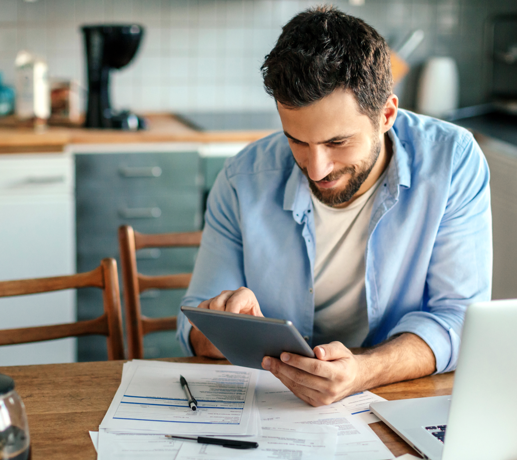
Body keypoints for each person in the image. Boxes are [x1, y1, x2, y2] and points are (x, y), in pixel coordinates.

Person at [176, 6, 492, 407]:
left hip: (396, 397)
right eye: (297, 141)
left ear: (387, 115)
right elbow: (193, 329)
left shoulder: (452, 161)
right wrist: (227, 324)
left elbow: (462, 321)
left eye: (337, 143)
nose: (316, 168)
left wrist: (363, 371)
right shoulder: (242, 179)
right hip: (276, 406)